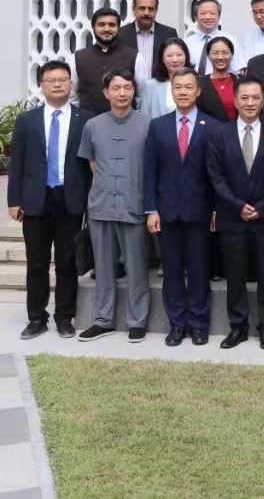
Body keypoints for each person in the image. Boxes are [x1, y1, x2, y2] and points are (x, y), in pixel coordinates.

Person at [7, 61, 91, 340]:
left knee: (67, 263)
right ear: (42, 86)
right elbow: (17, 162)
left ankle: (65, 316)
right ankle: (36, 318)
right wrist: (14, 199)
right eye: (51, 80)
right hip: (35, 198)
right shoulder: (27, 121)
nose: (57, 84)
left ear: (71, 84)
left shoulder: (85, 119)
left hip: (70, 198)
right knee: (37, 262)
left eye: (63, 79)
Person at [143, 67, 220, 346]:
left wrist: (215, 209)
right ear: (172, 91)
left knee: (199, 270)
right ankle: (177, 324)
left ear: (198, 91)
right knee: (172, 272)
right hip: (167, 212)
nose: (183, 92)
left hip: (200, 212)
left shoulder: (212, 127)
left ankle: (199, 324)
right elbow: (149, 171)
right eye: (178, 87)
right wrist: (151, 209)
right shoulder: (158, 126)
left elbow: (216, 175)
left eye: (189, 87)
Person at [76, 70, 151, 342]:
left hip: (133, 204)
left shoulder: (146, 124)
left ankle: (137, 320)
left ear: (133, 91)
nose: (122, 93)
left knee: (136, 267)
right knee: (104, 267)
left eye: (127, 87)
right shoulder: (93, 126)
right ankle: (103, 319)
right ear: (106, 93)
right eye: (116, 88)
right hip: (101, 205)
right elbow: (92, 162)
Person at [207, 77, 264, 349]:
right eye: (244, 98)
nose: (250, 103)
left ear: (263, 101)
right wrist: (237, 205)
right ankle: (237, 327)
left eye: (255, 97)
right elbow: (215, 176)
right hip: (231, 217)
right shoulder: (219, 134)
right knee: (235, 276)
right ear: (236, 102)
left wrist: (263, 207)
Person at [73, 8, 138, 116]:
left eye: (112, 25)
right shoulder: (78, 57)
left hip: (125, 123)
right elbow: (72, 96)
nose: (107, 29)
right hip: (87, 124)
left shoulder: (134, 56)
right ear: (93, 27)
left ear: (118, 28)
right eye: (101, 25)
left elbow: (141, 96)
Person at [117, 0, 178, 85]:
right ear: (133, 9)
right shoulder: (120, 34)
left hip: (159, 90)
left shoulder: (169, 33)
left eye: (151, 9)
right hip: (129, 92)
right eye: (142, 8)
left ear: (156, 10)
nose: (146, 13)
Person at [185, 0, 243, 74]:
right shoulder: (186, 43)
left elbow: (237, 71)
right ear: (196, 17)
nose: (208, 17)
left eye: (212, 13)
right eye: (203, 13)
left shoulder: (231, 41)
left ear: (219, 17)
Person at [139, 37, 192, 118]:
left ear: (186, 56)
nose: (175, 60)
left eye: (179, 55)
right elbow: (144, 118)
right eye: (169, 55)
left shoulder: (197, 83)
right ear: (162, 59)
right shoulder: (150, 86)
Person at [195, 35, 239, 122]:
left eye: (225, 53)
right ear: (208, 55)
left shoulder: (241, 82)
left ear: (232, 55)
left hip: (237, 133)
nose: (220, 57)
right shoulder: (200, 84)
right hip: (210, 133)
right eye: (215, 53)